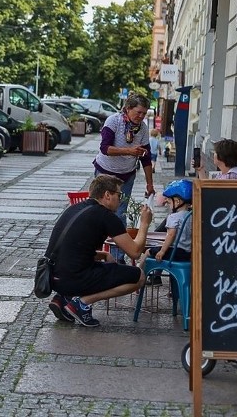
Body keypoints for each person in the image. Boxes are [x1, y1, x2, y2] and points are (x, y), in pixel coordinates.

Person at [46, 174, 153, 328]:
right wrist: (144, 224)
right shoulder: (106, 216)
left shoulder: (75, 208)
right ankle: (81, 304)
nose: (120, 199)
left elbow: (74, 247)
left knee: (97, 266)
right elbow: (135, 252)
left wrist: (103, 254)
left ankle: (64, 298)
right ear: (107, 195)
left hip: (53, 278)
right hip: (73, 278)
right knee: (139, 277)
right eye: (119, 194)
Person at [92, 93, 155, 225]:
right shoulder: (113, 121)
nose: (141, 116)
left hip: (126, 175)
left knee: (121, 212)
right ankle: (99, 241)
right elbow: (105, 148)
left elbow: (146, 158)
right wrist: (130, 151)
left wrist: (149, 184)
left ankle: (117, 245)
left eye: (144, 113)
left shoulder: (142, 128)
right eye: (139, 112)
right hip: (106, 172)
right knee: (101, 209)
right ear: (128, 108)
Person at [146, 179, 193, 263]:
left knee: (149, 252)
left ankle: (141, 273)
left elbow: (171, 234)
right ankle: (157, 274)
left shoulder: (173, 217)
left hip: (175, 252)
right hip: (187, 253)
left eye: (169, 202)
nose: (167, 203)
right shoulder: (191, 216)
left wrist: (162, 251)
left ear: (177, 202)